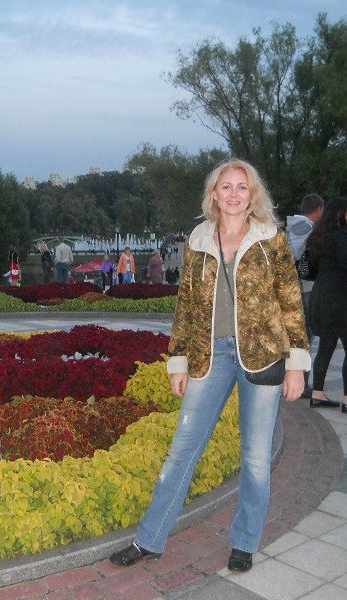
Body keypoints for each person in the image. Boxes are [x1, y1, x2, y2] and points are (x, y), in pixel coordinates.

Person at [109, 158, 309, 573]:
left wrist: (296, 363)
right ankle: (149, 539)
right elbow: (186, 305)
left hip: (262, 356)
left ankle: (244, 542)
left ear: (252, 195)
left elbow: (291, 302)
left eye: (242, 187)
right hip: (209, 355)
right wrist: (178, 360)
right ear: (214, 194)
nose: (234, 194)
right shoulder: (198, 240)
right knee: (182, 450)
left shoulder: (270, 238)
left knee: (255, 458)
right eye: (226, 187)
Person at [307, 197, 347, 412]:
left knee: (325, 347)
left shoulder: (318, 236)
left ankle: (317, 393)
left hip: (321, 297)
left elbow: (311, 268)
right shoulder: (341, 236)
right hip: (339, 300)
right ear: (341, 214)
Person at [286, 194, 324, 398]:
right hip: (305, 288)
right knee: (306, 336)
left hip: (295, 288)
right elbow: (296, 256)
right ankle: (302, 383)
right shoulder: (306, 228)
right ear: (318, 209)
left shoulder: (292, 227)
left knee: (298, 336)